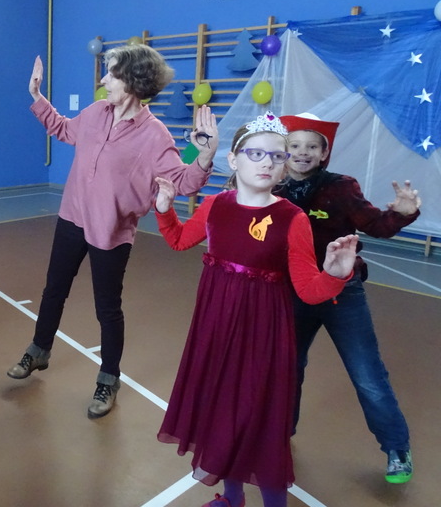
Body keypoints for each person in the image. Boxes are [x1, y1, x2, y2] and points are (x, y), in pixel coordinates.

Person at [154, 112, 359, 507]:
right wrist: (165, 209)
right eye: (256, 154)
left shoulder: (291, 218)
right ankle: (233, 497)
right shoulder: (215, 206)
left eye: (277, 156)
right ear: (234, 160)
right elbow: (179, 240)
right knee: (222, 414)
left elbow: (308, 289)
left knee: (259, 421)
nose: (267, 163)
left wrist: (335, 274)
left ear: (284, 166)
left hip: (263, 337)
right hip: (216, 329)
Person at [6, 45, 218, 419]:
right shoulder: (95, 112)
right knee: (54, 290)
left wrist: (204, 156)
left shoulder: (155, 135)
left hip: (111, 232)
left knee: (107, 309)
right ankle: (39, 350)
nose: (104, 80)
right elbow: (63, 128)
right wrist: (37, 96)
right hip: (72, 218)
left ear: (133, 81)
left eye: (112, 73)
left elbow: (182, 181)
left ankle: (108, 379)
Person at [275, 112, 420, 484]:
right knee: (288, 367)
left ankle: (397, 448)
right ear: (284, 150)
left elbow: (377, 225)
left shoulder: (341, 187)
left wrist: (402, 214)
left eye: (312, 146)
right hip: (294, 292)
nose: (303, 152)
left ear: (324, 153)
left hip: (342, 292)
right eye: (295, 145)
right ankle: (280, 433)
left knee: (367, 374)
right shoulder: (273, 187)